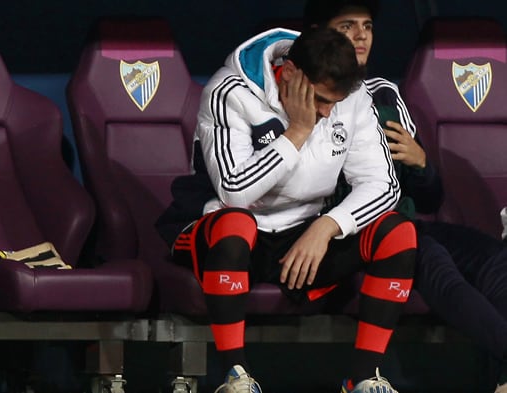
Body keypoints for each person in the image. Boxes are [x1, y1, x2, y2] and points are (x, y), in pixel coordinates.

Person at [156, 27, 417, 393]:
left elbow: (382, 185)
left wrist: (328, 225)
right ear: (290, 75)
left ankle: (362, 379)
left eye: (333, 103)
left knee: (397, 232)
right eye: (321, 100)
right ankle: (236, 376)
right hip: (227, 232)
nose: (326, 113)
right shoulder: (230, 91)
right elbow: (235, 191)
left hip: (305, 236)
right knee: (236, 224)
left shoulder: (351, 95)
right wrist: (296, 132)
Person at [303, 1, 507, 391]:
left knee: (497, 260)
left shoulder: (385, 94)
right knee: (430, 257)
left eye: (367, 26)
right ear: (320, 33)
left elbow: (429, 200)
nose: (361, 35)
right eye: (348, 26)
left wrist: (421, 163)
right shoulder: (304, 98)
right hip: (354, 237)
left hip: (406, 224)